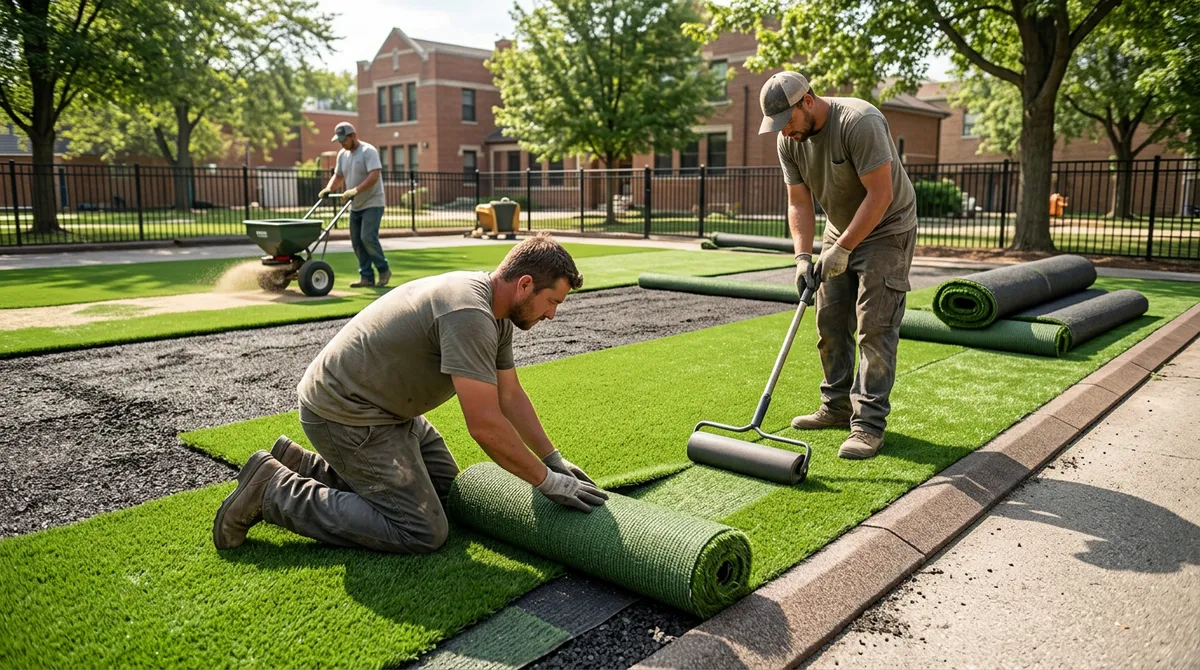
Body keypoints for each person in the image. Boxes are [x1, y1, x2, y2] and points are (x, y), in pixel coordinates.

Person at [213, 233, 606, 552]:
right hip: (347, 416)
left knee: (452, 497)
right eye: (552, 301)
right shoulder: (469, 315)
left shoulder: (495, 311)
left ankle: (302, 465)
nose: (552, 314)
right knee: (422, 529)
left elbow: (510, 397)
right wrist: (546, 482)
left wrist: (554, 460)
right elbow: (485, 425)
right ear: (525, 285)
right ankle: (274, 491)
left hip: (389, 414)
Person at [759, 71, 917, 460]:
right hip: (838, 228)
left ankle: (868, 425)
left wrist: (844, 248)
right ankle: (836, 406)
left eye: (788, 121)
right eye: (777, 126)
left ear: (808, 101)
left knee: (875, 329)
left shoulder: (859, 122)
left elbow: (881, 194)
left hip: (886, 229)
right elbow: (798, 202)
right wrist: (802, 257)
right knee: (829, 323)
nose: (785, 132)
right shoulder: (789, 141)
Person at [320, 121, 391, 288]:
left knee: (367, 237)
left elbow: (374, 175)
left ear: (353, 136)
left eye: (344, 139)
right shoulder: (342, 155)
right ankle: (366, 277)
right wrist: (328, 188)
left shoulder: (368, 151)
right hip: (356, 204)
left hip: (373, 202)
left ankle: (383, 270)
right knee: (357, 242)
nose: (341, 143)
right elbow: (338, 176)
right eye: (339, 140)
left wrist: (355, 190)